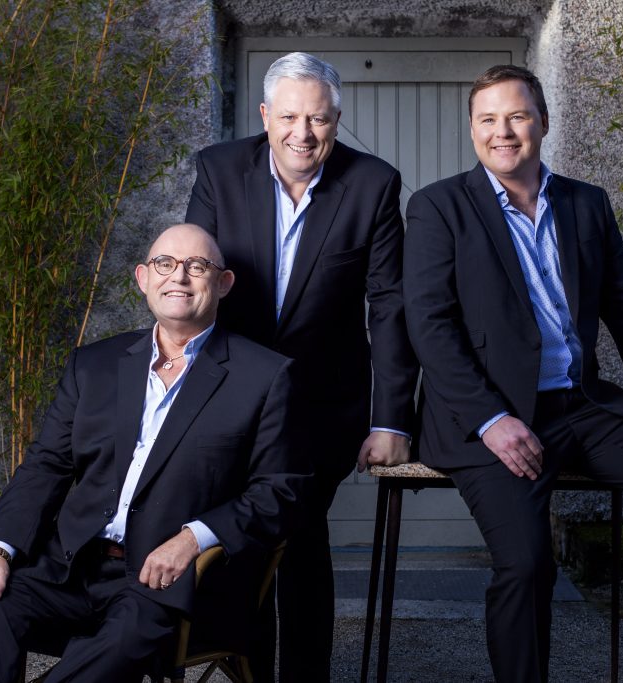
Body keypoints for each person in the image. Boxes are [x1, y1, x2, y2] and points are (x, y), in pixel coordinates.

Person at [403, 65, 623, 683]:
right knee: (527, 563)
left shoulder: (585, 203)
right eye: (488, 119)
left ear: (542, 122)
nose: (502, 131)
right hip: (490, 416)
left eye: (517, 116)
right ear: (472, 129)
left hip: (581, 405)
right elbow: (430, 325)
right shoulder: (438, 207)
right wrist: (490, 419)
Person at [0, 224, 309, 683]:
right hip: (70, 568)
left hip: (168, 585)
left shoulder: (264, 376)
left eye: (197, 266)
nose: (179, 277)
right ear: (143, 278)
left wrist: (193, 538)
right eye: (165, 264)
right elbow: (45, 466)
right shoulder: (93, 364)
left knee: (124, 639)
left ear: (223, 283)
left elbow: (281, 492)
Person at [185, 52, 418, 682]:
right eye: (289, 116)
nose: (303, 133)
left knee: (301, 535)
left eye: (318, 119)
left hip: (324, 403)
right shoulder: (218, 171)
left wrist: (391, 418)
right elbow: (193, 280)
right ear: (265, 115)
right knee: (247, 542)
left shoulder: (372, 184)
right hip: (231, 399)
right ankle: (253, 671)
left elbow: (389, 305)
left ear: (336, 120)